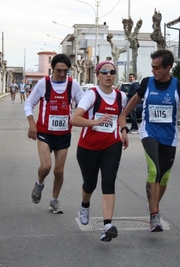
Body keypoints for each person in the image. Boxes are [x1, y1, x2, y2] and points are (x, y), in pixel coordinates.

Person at [119, 49, 180, 232]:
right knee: (153, 169)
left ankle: (153, 204)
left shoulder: (178, 86)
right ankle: (154, 216)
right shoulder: (147, 83)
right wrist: (123, 120)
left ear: (168, 67)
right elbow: (131, 105)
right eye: (152, 66)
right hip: (149, 131)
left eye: (157, 67)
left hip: (170, 135)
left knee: (164, 176)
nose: (153, 70)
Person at [72, 61, 128, 242]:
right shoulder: (91, 95)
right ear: (98, 75)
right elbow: (75, 119)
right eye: (104, 72)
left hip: (112, 145)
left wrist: (123, 130)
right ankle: (85, 205)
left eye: (112, 72)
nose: (109, 75)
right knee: (90, 184)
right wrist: (95, 122)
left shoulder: (121, 96)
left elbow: (121, 115)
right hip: (88, 148)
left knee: (109, 183)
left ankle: (107, 226)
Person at [24, 54, 84, 214]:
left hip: (64, 134)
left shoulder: (73, 85)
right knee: (46, 167)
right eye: (59, 70)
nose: (62, 74)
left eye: (66, 71)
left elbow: (84, 103)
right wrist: (32, 124)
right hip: (44, 132)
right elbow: (29, 103)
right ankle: (39, 183)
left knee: (59, 170)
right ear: (52, 68)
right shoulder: (44, 84)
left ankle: (54, 200)